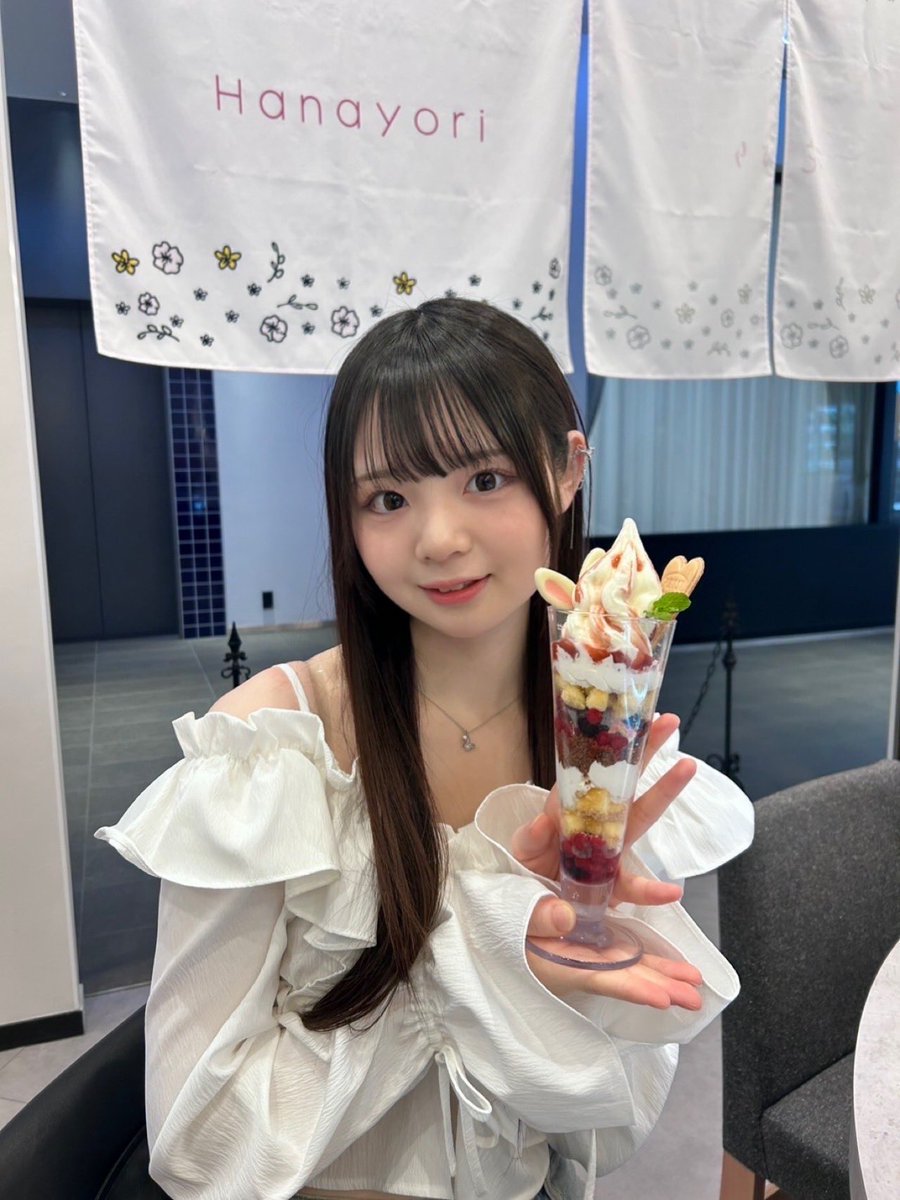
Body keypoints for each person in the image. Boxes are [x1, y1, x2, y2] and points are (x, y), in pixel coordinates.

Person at [96, 297, 753, 1200]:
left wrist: (563, 981)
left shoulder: (601, 753)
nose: (440, 539)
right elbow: (195, 1140)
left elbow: (607, 1124)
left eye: (485, 478)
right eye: (389, 498)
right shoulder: (270, 747)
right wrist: (481, 963)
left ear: (567, 471)